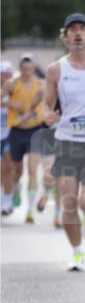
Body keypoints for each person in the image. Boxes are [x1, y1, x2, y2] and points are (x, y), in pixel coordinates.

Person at [43, 13, 85, 271]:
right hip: (67, 141)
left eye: (82, 29)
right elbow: (46, 104)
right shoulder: (56, 69)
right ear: (66, 36)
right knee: (68, 202)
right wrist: (46, 114)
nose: (78, 33)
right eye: (73, 30)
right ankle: (77, 251)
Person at [2, 54, 46, 223]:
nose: (27, 72)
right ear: (20, 68)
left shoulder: (40, 85)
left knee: (33, 169)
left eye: (30, 69)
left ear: (34, 69)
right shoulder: (12, 84)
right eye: (24, 68)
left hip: (35, 130)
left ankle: (30, 211)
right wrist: (10, 104)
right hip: (16, 131)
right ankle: (16, 188)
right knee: (16, 171)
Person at [1, 60, 15, 216]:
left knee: (9, 168)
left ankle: (7, 200)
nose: (6, 77)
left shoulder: (15, 89)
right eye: (4, 74)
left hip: (10, 134)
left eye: (9, 74)